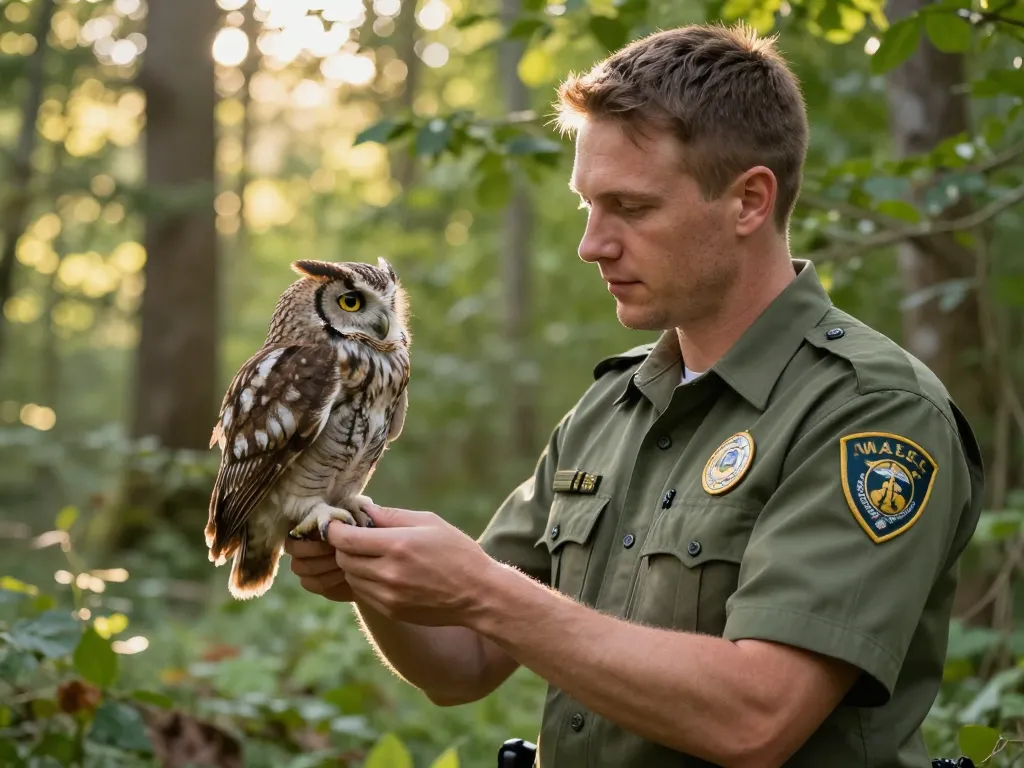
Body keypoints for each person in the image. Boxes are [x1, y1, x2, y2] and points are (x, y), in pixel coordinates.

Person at [285, 22, 985, 767]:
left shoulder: (871, 412)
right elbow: (463, 660)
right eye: (588, 205)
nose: (593, 244)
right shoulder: (613, 406)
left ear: (749, 201)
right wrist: (371, 572)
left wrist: (482, 587)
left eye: (632, 207)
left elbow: (759, 717)